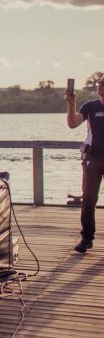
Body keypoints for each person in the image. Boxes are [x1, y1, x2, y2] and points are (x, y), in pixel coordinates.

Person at [66, 76, 104, 253]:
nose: (100, 85)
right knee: (88, 200)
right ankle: (86, 238)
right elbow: (72, 123)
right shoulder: (90, 106)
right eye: (99, 83)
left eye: (103, 84)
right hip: (92, 159)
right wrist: (71, 103)